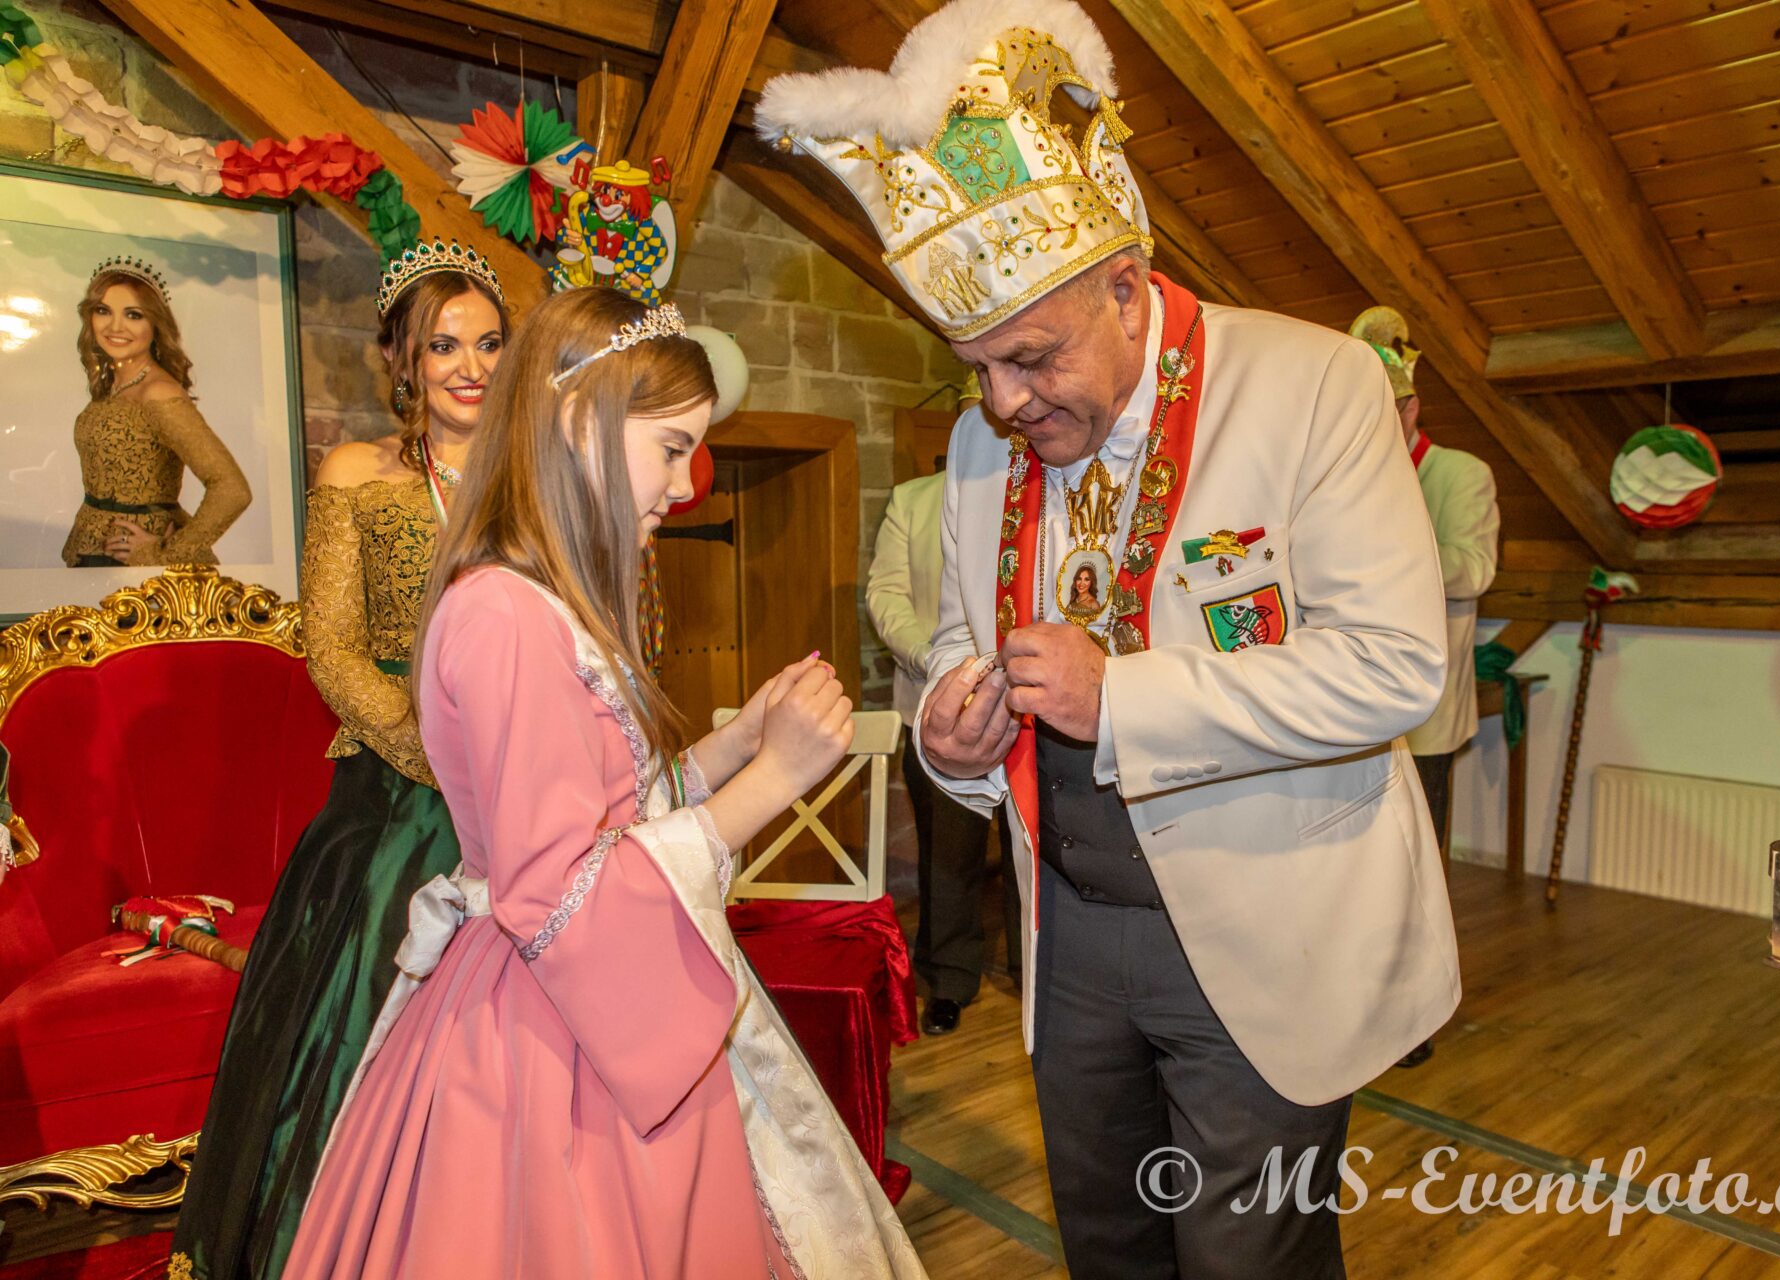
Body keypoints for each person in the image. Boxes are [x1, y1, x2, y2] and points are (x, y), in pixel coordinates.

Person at [761, 2, 1460, 1274]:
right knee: (1110, 1246)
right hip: (1072, 932)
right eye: (976, 365)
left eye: (1030, 357)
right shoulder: (983, 440)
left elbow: (1394, 663)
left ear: (1127, 286)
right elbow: (965, 636)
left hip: (1269, 924)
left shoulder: (1313, 385)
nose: (1000, 403)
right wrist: (953, 731)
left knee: (1251, 1260)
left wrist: (1119, 698)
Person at [283, 287, 924, 1280]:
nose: (684, 483)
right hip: (549, 1030)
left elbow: (611, 806)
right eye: (670, 448)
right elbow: (561, 891)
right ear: (581, 419)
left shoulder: (545, 600)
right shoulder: (503, 615)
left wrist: (738, 744)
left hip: (580, 992)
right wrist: (776, 781)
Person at [169, 241, 509, 1280]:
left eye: (490, 342)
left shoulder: (534, 478)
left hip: (522, 776)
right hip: (397, 791)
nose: (470, 366)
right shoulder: (357, 474)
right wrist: (433, 750)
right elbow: (332, 649)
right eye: (443, 345)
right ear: (400, 360)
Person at [1351, 307, 1498, 1070]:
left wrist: (1389, 548)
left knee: (1417, 872)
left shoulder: (1460, 475)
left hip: (1425, 713)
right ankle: (1360, 1008)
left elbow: (1474, 570)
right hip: (1349, 710)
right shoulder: (1345, 473)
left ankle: (1417, 1017)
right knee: (1357, 873)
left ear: (1411, 408)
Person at [871, 465, 1020, 1035]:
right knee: (948, 854)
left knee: (1034, 848)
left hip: (1033, 709)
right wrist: (936, 664)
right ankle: (951, 979)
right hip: (937, 707)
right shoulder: (912, 499)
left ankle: (1034, 970)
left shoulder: (1043, 481)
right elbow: (887, 595)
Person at [62, 256, 249, 566]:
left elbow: (232, 490)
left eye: (133, 314)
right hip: (95, 554)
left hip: (138, 572)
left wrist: (165, 553)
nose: (115, 326)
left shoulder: (158, 392)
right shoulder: (112, 386)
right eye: (103, 310)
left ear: (155, 324)